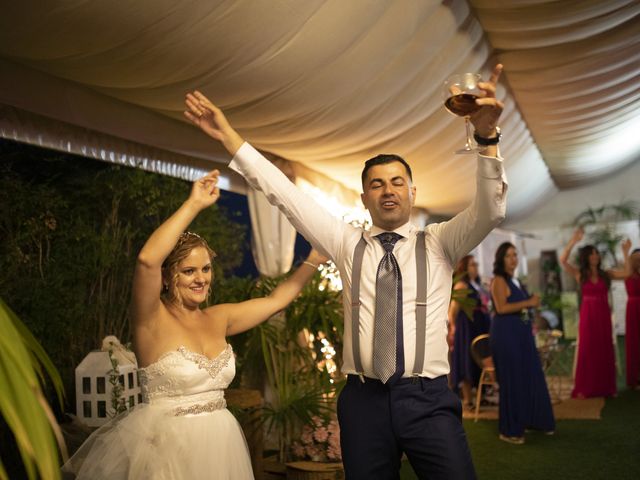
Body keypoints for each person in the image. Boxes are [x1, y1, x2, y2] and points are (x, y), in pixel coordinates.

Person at [184, 63, 506, 479]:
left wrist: (487, 139)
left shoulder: (441, 241)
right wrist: (229, 136)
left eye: (396, 182)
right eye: (377, 184)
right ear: (364, 198)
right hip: (363, 401)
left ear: (412, 192)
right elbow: (283, 194)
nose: (387, 190)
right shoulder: (343, 241)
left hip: (426, 399)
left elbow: (491, 209)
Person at [62, 170, 327, 479]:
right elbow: (148, 259)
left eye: (205, 269)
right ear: (166, 276)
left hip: (222, 444)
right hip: (169, 451)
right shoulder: (151, 318)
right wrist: (194, 203)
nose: (201, 278)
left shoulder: (219, 317)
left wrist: (314, 259)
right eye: (188, 271)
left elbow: (276, 301)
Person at [490, 242, 555, 445]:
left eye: (515, 255)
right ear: (501, 259)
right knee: (513, 381)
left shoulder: (515, 280)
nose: (513, 258)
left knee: (531, 376)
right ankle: (509, 430)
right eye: (509, 255)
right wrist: (528, 302)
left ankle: (533, 420)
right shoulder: (499, 280)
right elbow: (501, 308)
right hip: (506, 336)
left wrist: (532, 306)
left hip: (522, 336)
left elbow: (521, 308)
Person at [560, 228, 631, 398]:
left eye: (596, 253)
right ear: (586, 257)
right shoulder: (580, 274)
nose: (595, 256)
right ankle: (585, 387)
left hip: (603, 315)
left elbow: (627, 273)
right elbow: (563, 260)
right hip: (588, 317)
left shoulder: (606, 274)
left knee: (604, 349)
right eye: (592, 254)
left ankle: (606, 387)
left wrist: (626, 252)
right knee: (587, 350)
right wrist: (573, 241)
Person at [447, 255, 492, 410]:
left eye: (476, 264)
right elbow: (453, 311)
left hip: (480, 326)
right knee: (467, 359)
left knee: (481, 360)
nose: (475, 267)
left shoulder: (477, 284)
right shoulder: (462, 285)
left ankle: (481, 395)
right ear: (465, 267)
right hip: (467, 329)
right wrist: (453, 329)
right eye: (472, 264)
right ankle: (468, 399)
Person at [624, 248, 640, 389]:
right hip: (633, 309)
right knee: (634, 342)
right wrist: (625, 252)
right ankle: (634, 378)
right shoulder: (628, 274)